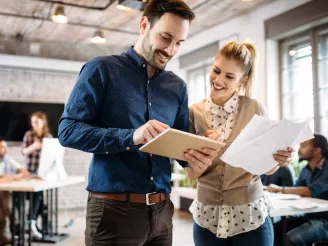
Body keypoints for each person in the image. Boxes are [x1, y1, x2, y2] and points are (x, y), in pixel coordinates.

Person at [58, 1, 218, 245]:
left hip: (163, 213)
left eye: (179, 43)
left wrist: (202, 151)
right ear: (144, 24)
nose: (171, 50)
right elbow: (67, 131)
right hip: (114, 212)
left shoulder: (177, 87)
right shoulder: (101, 69)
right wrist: (131, 136)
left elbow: (183, 153)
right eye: (165, 38)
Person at [186, 41, 293, 246]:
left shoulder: (255, 109)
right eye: (216, 71)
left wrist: (280, 159)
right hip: (208, 219)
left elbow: (268, 168)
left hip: (250, 218)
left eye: (229, 76)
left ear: (242, 81)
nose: (218, 80)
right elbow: (191, 173)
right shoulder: (193, 112)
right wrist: (206, 151)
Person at [267, 134, 328, 246]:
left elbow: (309, 191)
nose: (299, 149)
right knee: (273, 231)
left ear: (317, 150)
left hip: (325, 220)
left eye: (304, 146)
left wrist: (279, 189)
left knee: (290, 239)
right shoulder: (306, 169)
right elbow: (297, 191)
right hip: (308, 215)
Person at [22, 111, 52, 239]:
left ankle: (34, 224)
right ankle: (34, 223)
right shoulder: (29, 135)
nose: (34, 124)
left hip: (43, 174)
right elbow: (23, 151)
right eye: (32, 122)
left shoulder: (48, 137)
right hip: (30, 173)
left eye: (37, 122)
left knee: (39, 199)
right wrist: (34, 146)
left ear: (42, 122)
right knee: (38, 198)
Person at [0, 139, 34, 245]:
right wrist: (15, 177)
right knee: (6, 206)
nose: (5, 149)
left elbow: (19, 168)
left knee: (7, 205)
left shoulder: (7, 159)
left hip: (4, 190)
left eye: (5, 147)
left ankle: (16, 230)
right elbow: (1, 177)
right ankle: (17, 228)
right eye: (2, 147)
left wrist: (29, 175)